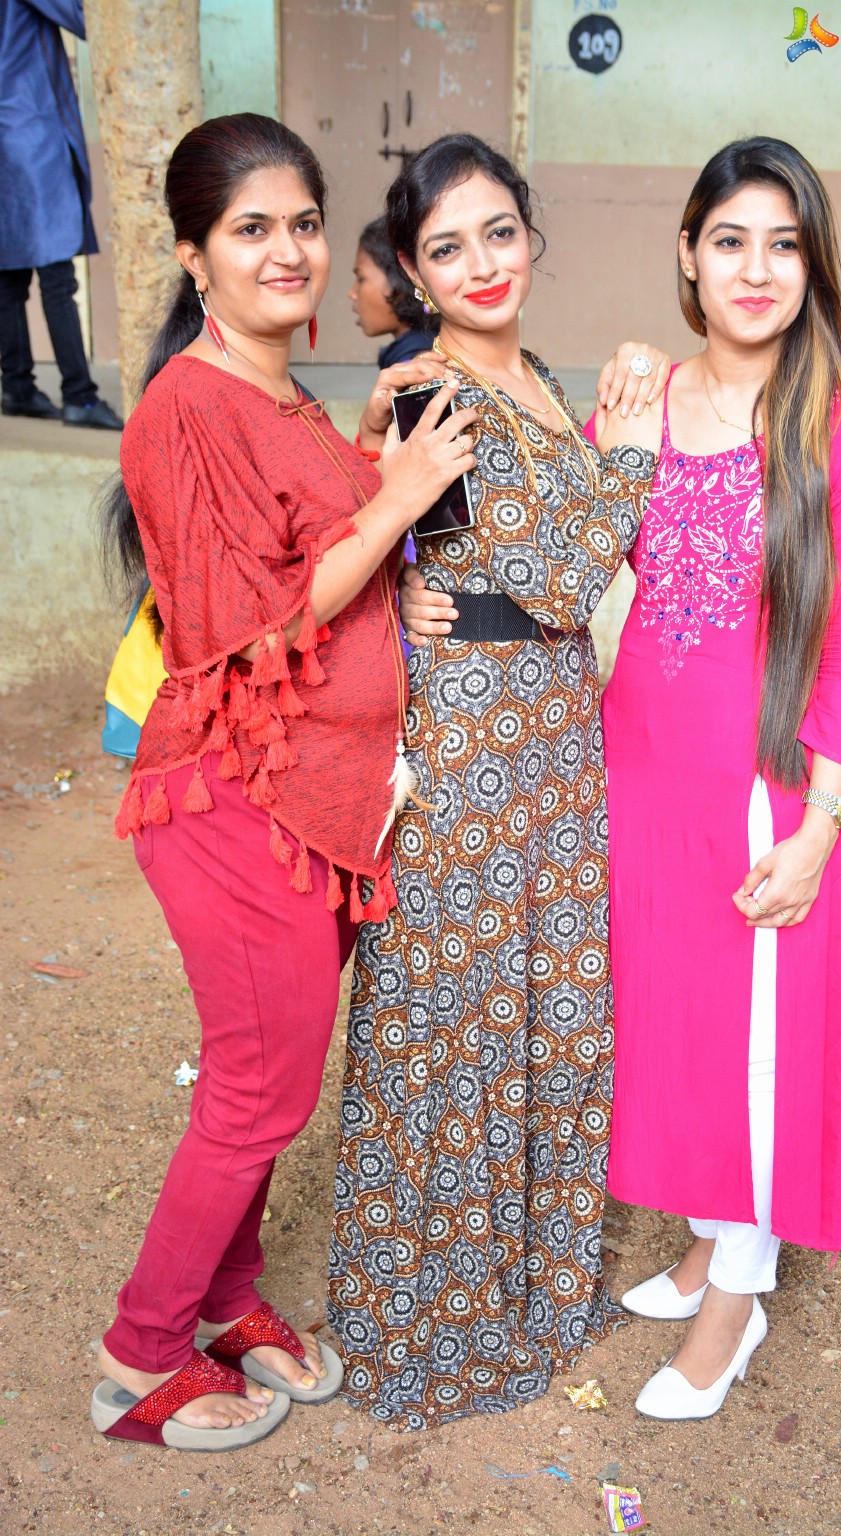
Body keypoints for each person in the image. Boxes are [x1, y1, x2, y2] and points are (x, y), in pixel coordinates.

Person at [401, 135, 841, 1423]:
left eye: (784, 245)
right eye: (730, 240)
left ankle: (736, 1301)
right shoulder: (639, 398)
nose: (756, 270)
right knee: (673, 1026)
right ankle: (704, 1240)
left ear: (812, 265)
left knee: (754, 1043)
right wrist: (418, 579)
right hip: (633, 773)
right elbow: (547, 545)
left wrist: (821, 823)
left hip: (762, 786)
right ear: (686, 254)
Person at [92, 112, 478, 1452]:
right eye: (252, 228)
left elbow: (328, 559)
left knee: (272, 1082)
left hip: (312, 803)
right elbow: (241, 627)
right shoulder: (182, 410)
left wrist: (373, 471)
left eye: (304, 223)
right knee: (260, 1092)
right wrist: (404, 489)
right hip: (229, 802)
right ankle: (139, 1353)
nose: (289, 251)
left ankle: (233, 1298)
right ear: (193, 254)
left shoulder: (284, 391)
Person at [326, 132, 666, 1429]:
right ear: (415, 273)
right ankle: (437, 1313)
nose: (480, 264)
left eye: (498, 233)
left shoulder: (527, 374)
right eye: (446, 248)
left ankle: (534, 1278)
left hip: (555, 744)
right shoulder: (435, 398)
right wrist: (629, 457)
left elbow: (549, 568)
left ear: (532, 233)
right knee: (461, 1016)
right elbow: (572, 575)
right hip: (474, 757)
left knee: (547, 1005)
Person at [0, 0, 122, 427]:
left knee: (8, 278)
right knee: (56, 276)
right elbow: (93, 21)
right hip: (29, 133)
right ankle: (80, 396)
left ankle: (17, 388)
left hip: (12, 135)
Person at [348, 215, 437, 367]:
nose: (352, 293)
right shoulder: (410, 351)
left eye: (361, 279)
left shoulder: (417, 366)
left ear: (401, 279)